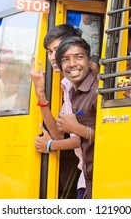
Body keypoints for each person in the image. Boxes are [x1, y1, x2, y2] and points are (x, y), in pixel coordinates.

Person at [31, 24, 86, 198]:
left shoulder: (81, 83)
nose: (53, 56)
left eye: (58, 49)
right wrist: (40, 94)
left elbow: (84, 138)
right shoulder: (66, 84)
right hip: (84, 175)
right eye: (50, 51)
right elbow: (59, 134)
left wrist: (50, 146)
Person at [55, 36, 99, 199]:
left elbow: (111, 138)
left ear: (89, 61)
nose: (72, 64)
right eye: (65, 60)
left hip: (104, 177)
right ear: (59, 66)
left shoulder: (97, 91)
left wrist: (75, 128)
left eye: (79, 57)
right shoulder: (74, 91)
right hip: (89, 177)